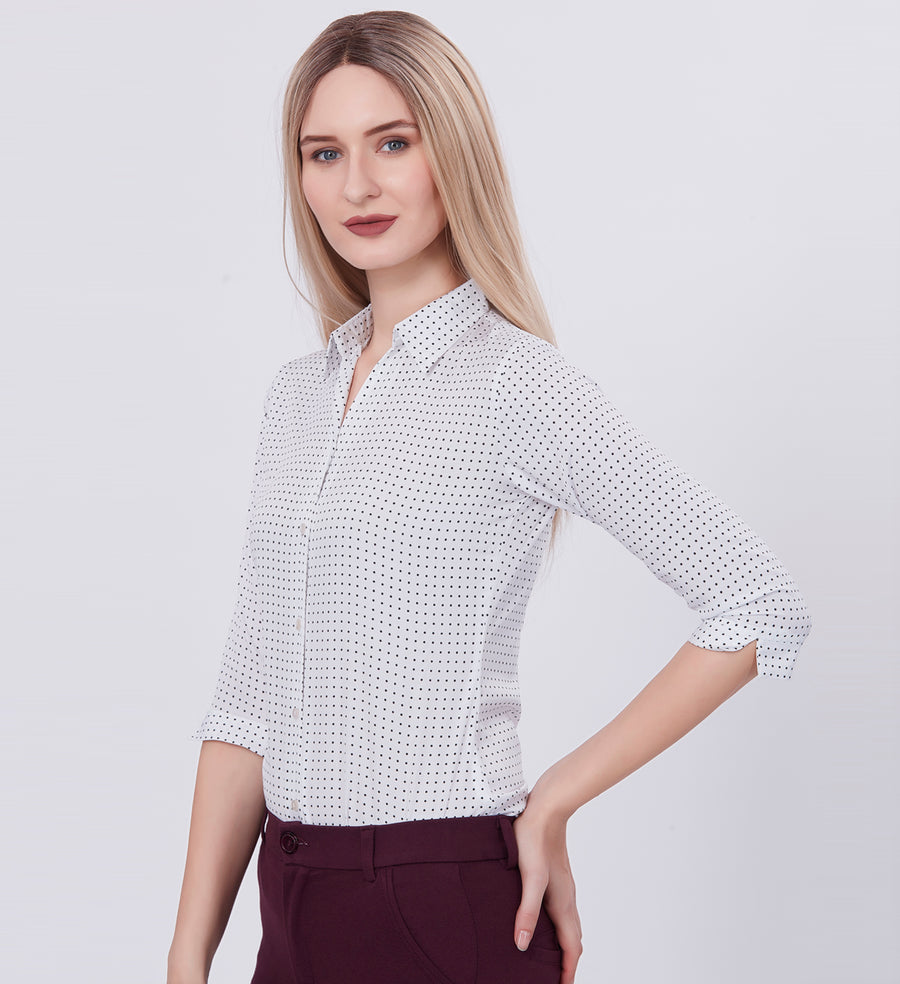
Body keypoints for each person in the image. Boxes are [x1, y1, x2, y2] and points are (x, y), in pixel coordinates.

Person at [167, 10, 812, 984]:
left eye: (393, 142)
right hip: (289, 900)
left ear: (454, 151)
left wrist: (555, 797)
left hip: (443, 901)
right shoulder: (295, 398)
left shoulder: (516, 384)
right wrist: (187, 957)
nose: (357, 185)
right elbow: (248, 700)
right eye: (324, 153)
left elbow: (759, 602)